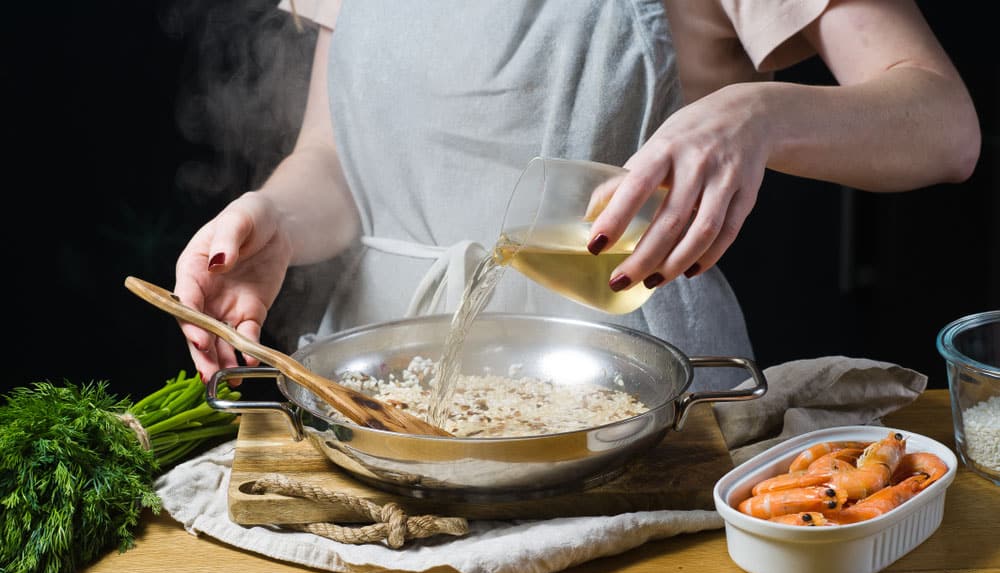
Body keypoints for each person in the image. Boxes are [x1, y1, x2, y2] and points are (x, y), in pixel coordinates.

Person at [173, 0, 979, 390]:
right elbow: (336, 155)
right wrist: (277, 215)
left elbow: (944, 125)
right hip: (380, 395)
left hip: (636, 405)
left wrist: (758, 116)